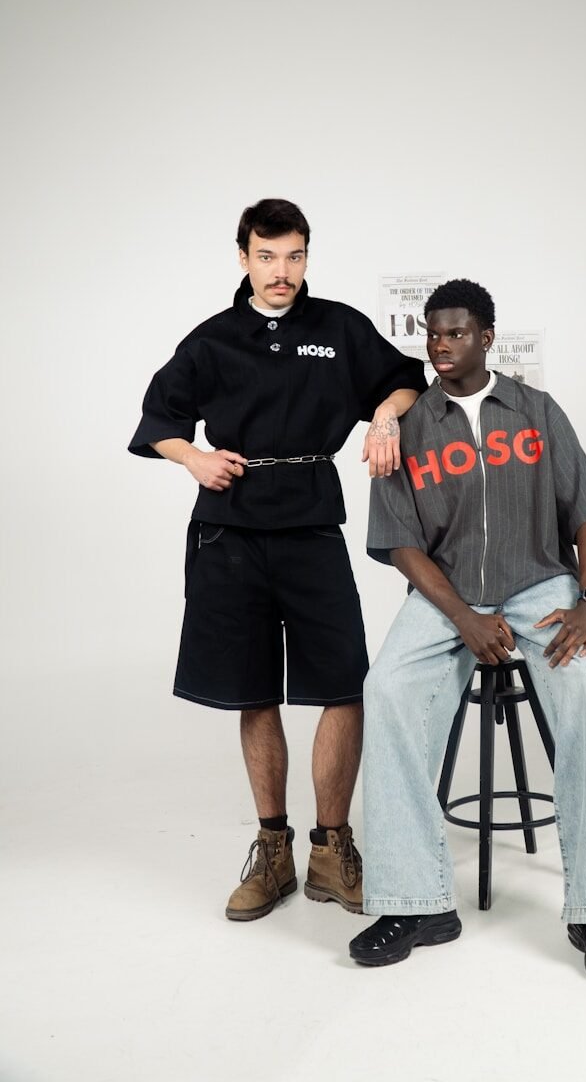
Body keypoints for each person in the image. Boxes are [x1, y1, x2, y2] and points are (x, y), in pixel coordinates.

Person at [128, 198, 425, 922]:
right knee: (252, 690)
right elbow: (158, 418)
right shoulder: (213, 339)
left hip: (312, 524)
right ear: (244, 258)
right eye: (266, 256)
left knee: (344, 684)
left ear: (306, 257)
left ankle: (332, 848)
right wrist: (194, 458)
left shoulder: (339, 328)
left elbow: (404, 377)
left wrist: (386, 415)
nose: (280, 270)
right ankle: (273, 851)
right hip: (229, 532)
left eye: (293, 256)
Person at [348, 278, 586, 980]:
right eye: (432, 334)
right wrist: (463, 618)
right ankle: (416, 903)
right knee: (385, 689)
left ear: (486, 337)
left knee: (583, 693)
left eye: (455, 333)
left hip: (539, 585)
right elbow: (402, 543)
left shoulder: (536, 410)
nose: (440, 345)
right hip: (447, 595)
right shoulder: (410, 425)